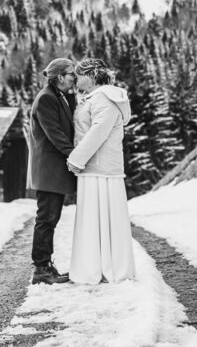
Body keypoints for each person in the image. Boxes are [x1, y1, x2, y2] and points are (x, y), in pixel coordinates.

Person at [67, 58, 135, 284]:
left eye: (79, 74)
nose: (76, 79)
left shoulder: (104, 98)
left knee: (100, 217)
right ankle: (99, 266)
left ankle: (104, 268)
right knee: (99, 218)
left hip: (99, 169)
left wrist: (76, 159)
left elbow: (98, 132)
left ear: (91, 75)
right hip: (97, 167)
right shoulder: (100, 97)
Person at [28, 57, 77, 285]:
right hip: (49, 170)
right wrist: (76, 155)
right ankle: (41, 269)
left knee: (51, 218)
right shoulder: (46, 99)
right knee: (46, 218)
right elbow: (55, 134)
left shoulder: (60, 96)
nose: (74, 78)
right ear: (59, 77)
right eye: (71, 74)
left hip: (53, 171)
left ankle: (45, 266)